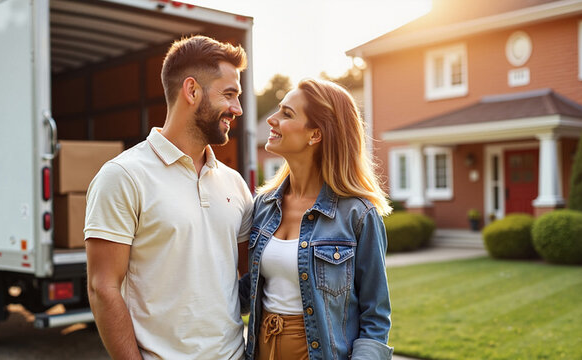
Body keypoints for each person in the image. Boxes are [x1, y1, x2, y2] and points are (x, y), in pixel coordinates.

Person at [84, 35, 252, 359]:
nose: (238, 109)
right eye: (229, 95)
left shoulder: (234, 183)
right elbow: (102, 288)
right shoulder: (123, 176)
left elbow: (253, 275)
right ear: (192, 91)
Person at [244, 79, 393, 360]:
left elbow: (376, 317)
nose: (272, 120)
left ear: (315, 135)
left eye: (287, 114)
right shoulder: (263, 206)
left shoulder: (358, 215)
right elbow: (243, 291)